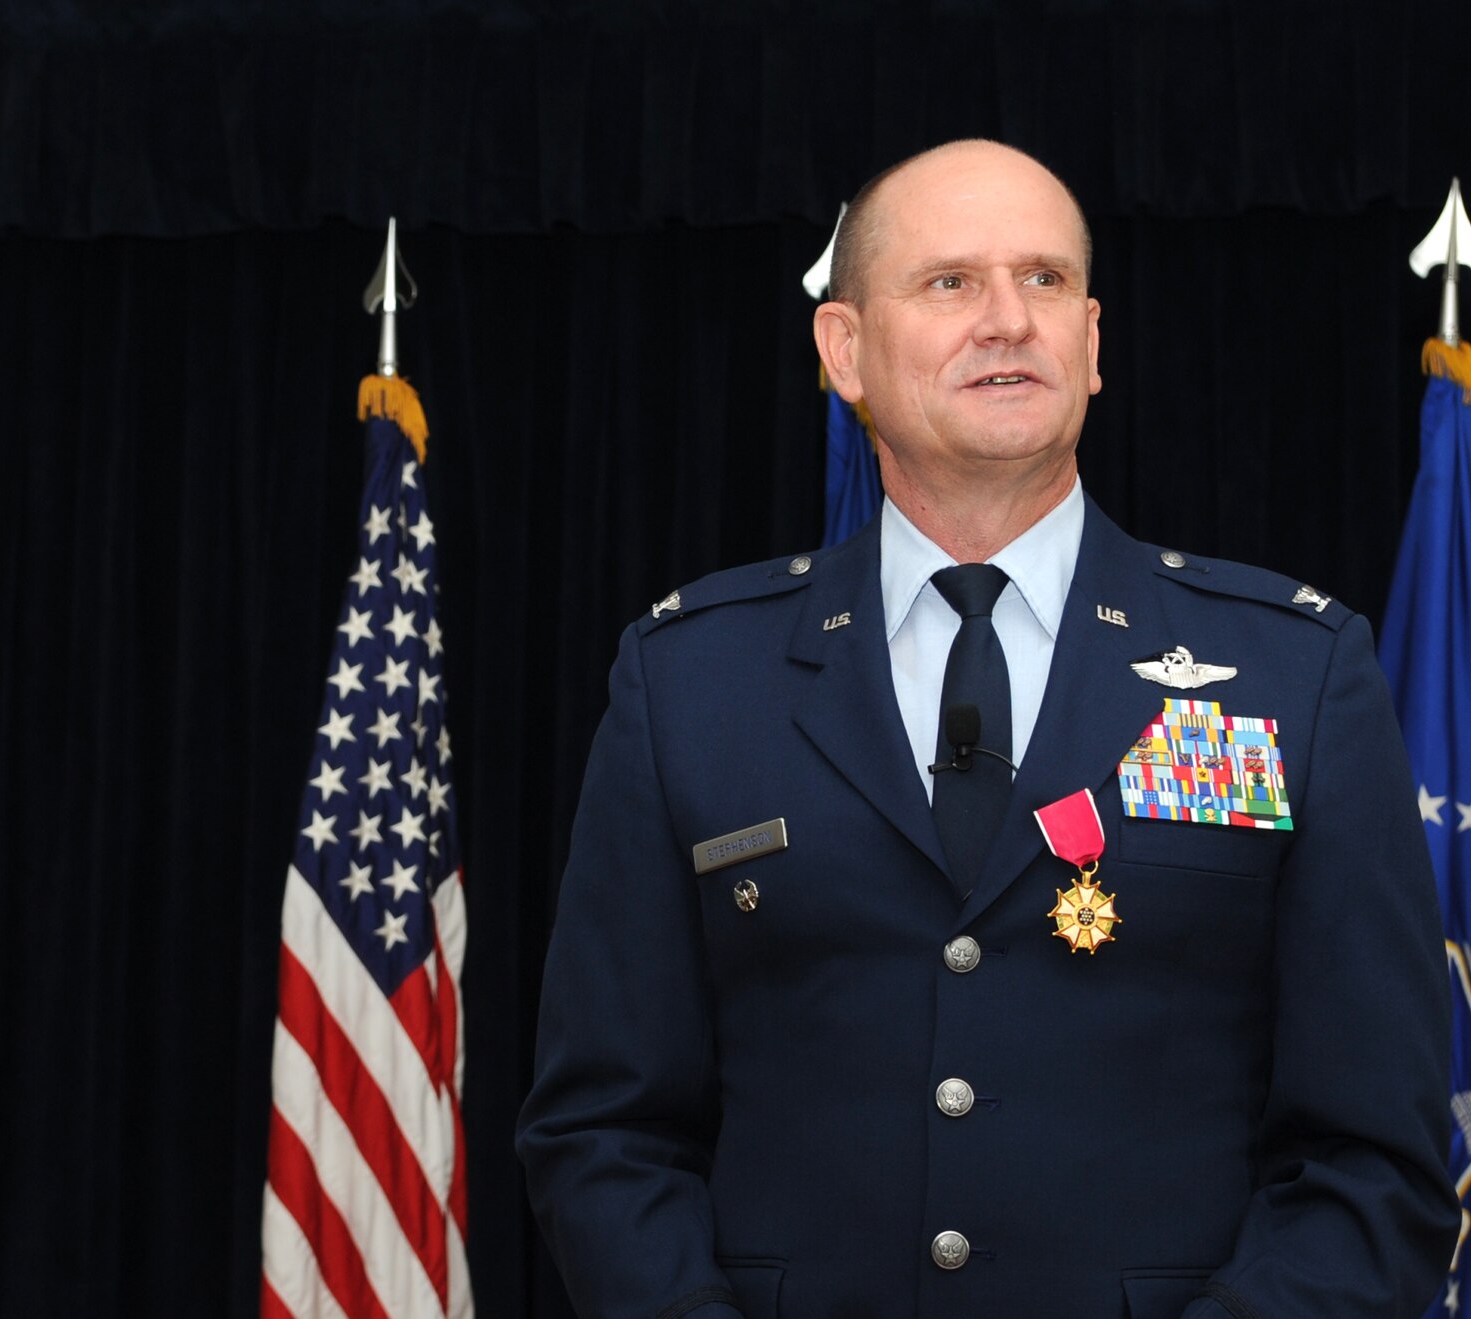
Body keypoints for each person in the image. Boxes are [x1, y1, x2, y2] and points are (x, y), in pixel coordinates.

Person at [516, 140, 1456, 1319]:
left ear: (1092, 342)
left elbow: (1377, 1162)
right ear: (842, 350)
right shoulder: (690, 677)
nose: (1008, 319)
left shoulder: (1294, 671)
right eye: (949, 282)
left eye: (1045, 280)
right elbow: (605, 1132)